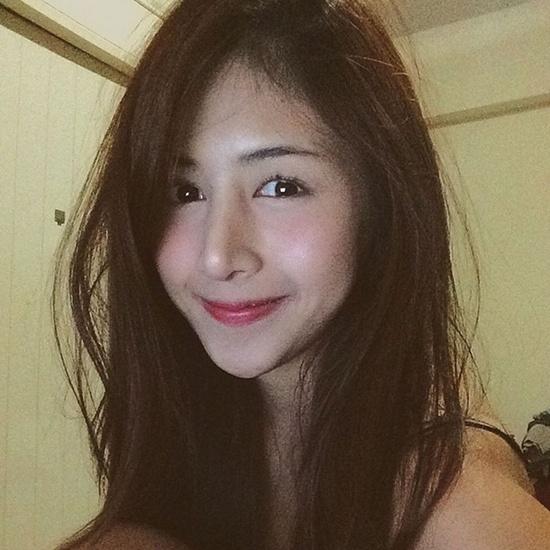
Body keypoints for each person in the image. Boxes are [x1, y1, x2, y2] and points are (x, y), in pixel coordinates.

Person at [52, 0, 550, 548]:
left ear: (380, 202)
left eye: (281, 186)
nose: (217, 256)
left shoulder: (459, 508)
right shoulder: (195, 422)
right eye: (185, 191)